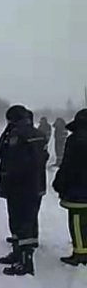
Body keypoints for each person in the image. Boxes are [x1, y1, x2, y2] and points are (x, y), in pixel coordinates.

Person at [0, 105, 49, 276]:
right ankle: (18, 253)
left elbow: (15, 163)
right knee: (28, 220)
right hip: (36, 185)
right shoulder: (39, 134)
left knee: (20, 222)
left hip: (20, 187)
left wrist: (7, 181)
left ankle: (25, 262)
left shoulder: (17, 136)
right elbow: (43, 158)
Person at [52, 109, 87, 266]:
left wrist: (59, 182)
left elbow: (69, 164)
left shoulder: (76, 139)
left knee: (77, 221)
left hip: (78, 188)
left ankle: (80, 254)